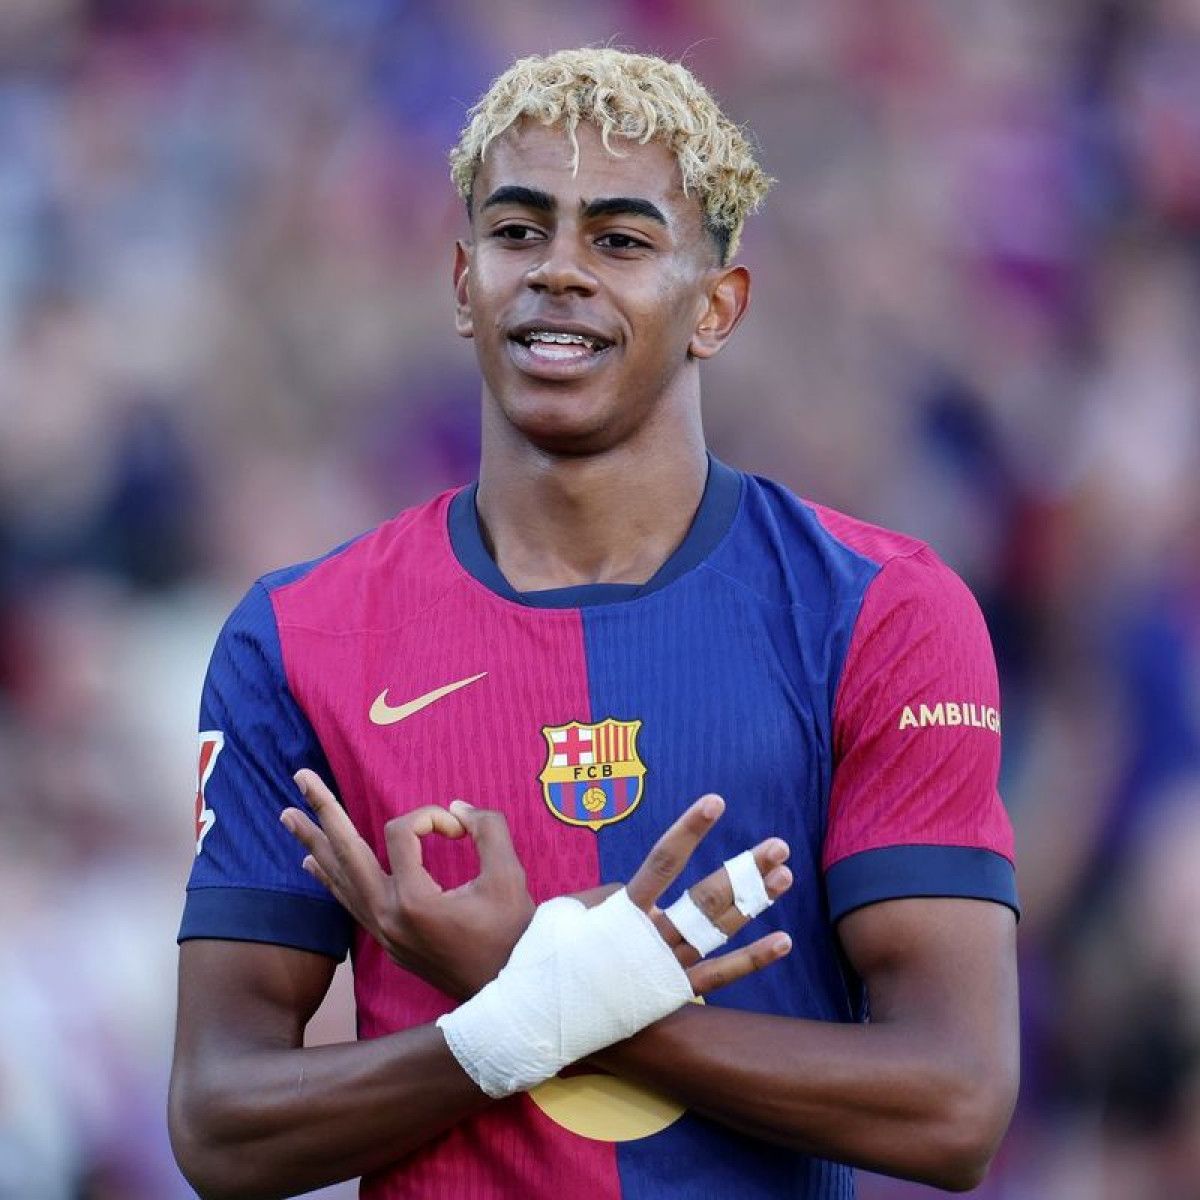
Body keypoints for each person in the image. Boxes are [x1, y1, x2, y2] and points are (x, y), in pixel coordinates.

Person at [169, 47, 1020, 1200]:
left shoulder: (880, 612)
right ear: (462, 282)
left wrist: (536, 991)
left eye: (620, 240)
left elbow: (956, 1105)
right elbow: (220, 1125)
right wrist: (523, 1017)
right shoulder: (298, 637)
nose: (558, 270)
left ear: (716, 307)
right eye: (519, 231)